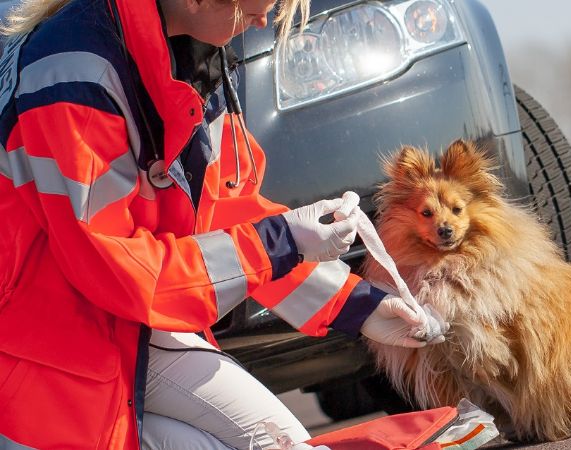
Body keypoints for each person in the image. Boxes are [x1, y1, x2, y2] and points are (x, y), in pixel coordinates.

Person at [0, 0, 445, 448]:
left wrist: (356, 304)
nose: (265, 20)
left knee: (279, 442)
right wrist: (280, 241)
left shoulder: (195, 58)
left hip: (123, 324)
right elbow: (114, 265)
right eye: (265, 2)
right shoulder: (76, 70)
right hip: (40, 351)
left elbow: (225, 214)